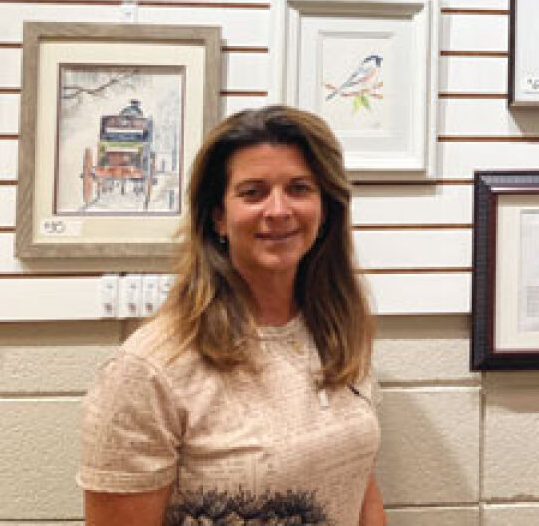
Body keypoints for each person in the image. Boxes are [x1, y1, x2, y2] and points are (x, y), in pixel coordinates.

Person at [78, 106, 385, 525]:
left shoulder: (338, 331)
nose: (279, 210)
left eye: (299, 188)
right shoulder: (149, 370)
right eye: (253, 193)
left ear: (325, 207)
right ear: (218, 217)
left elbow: (359, 486)